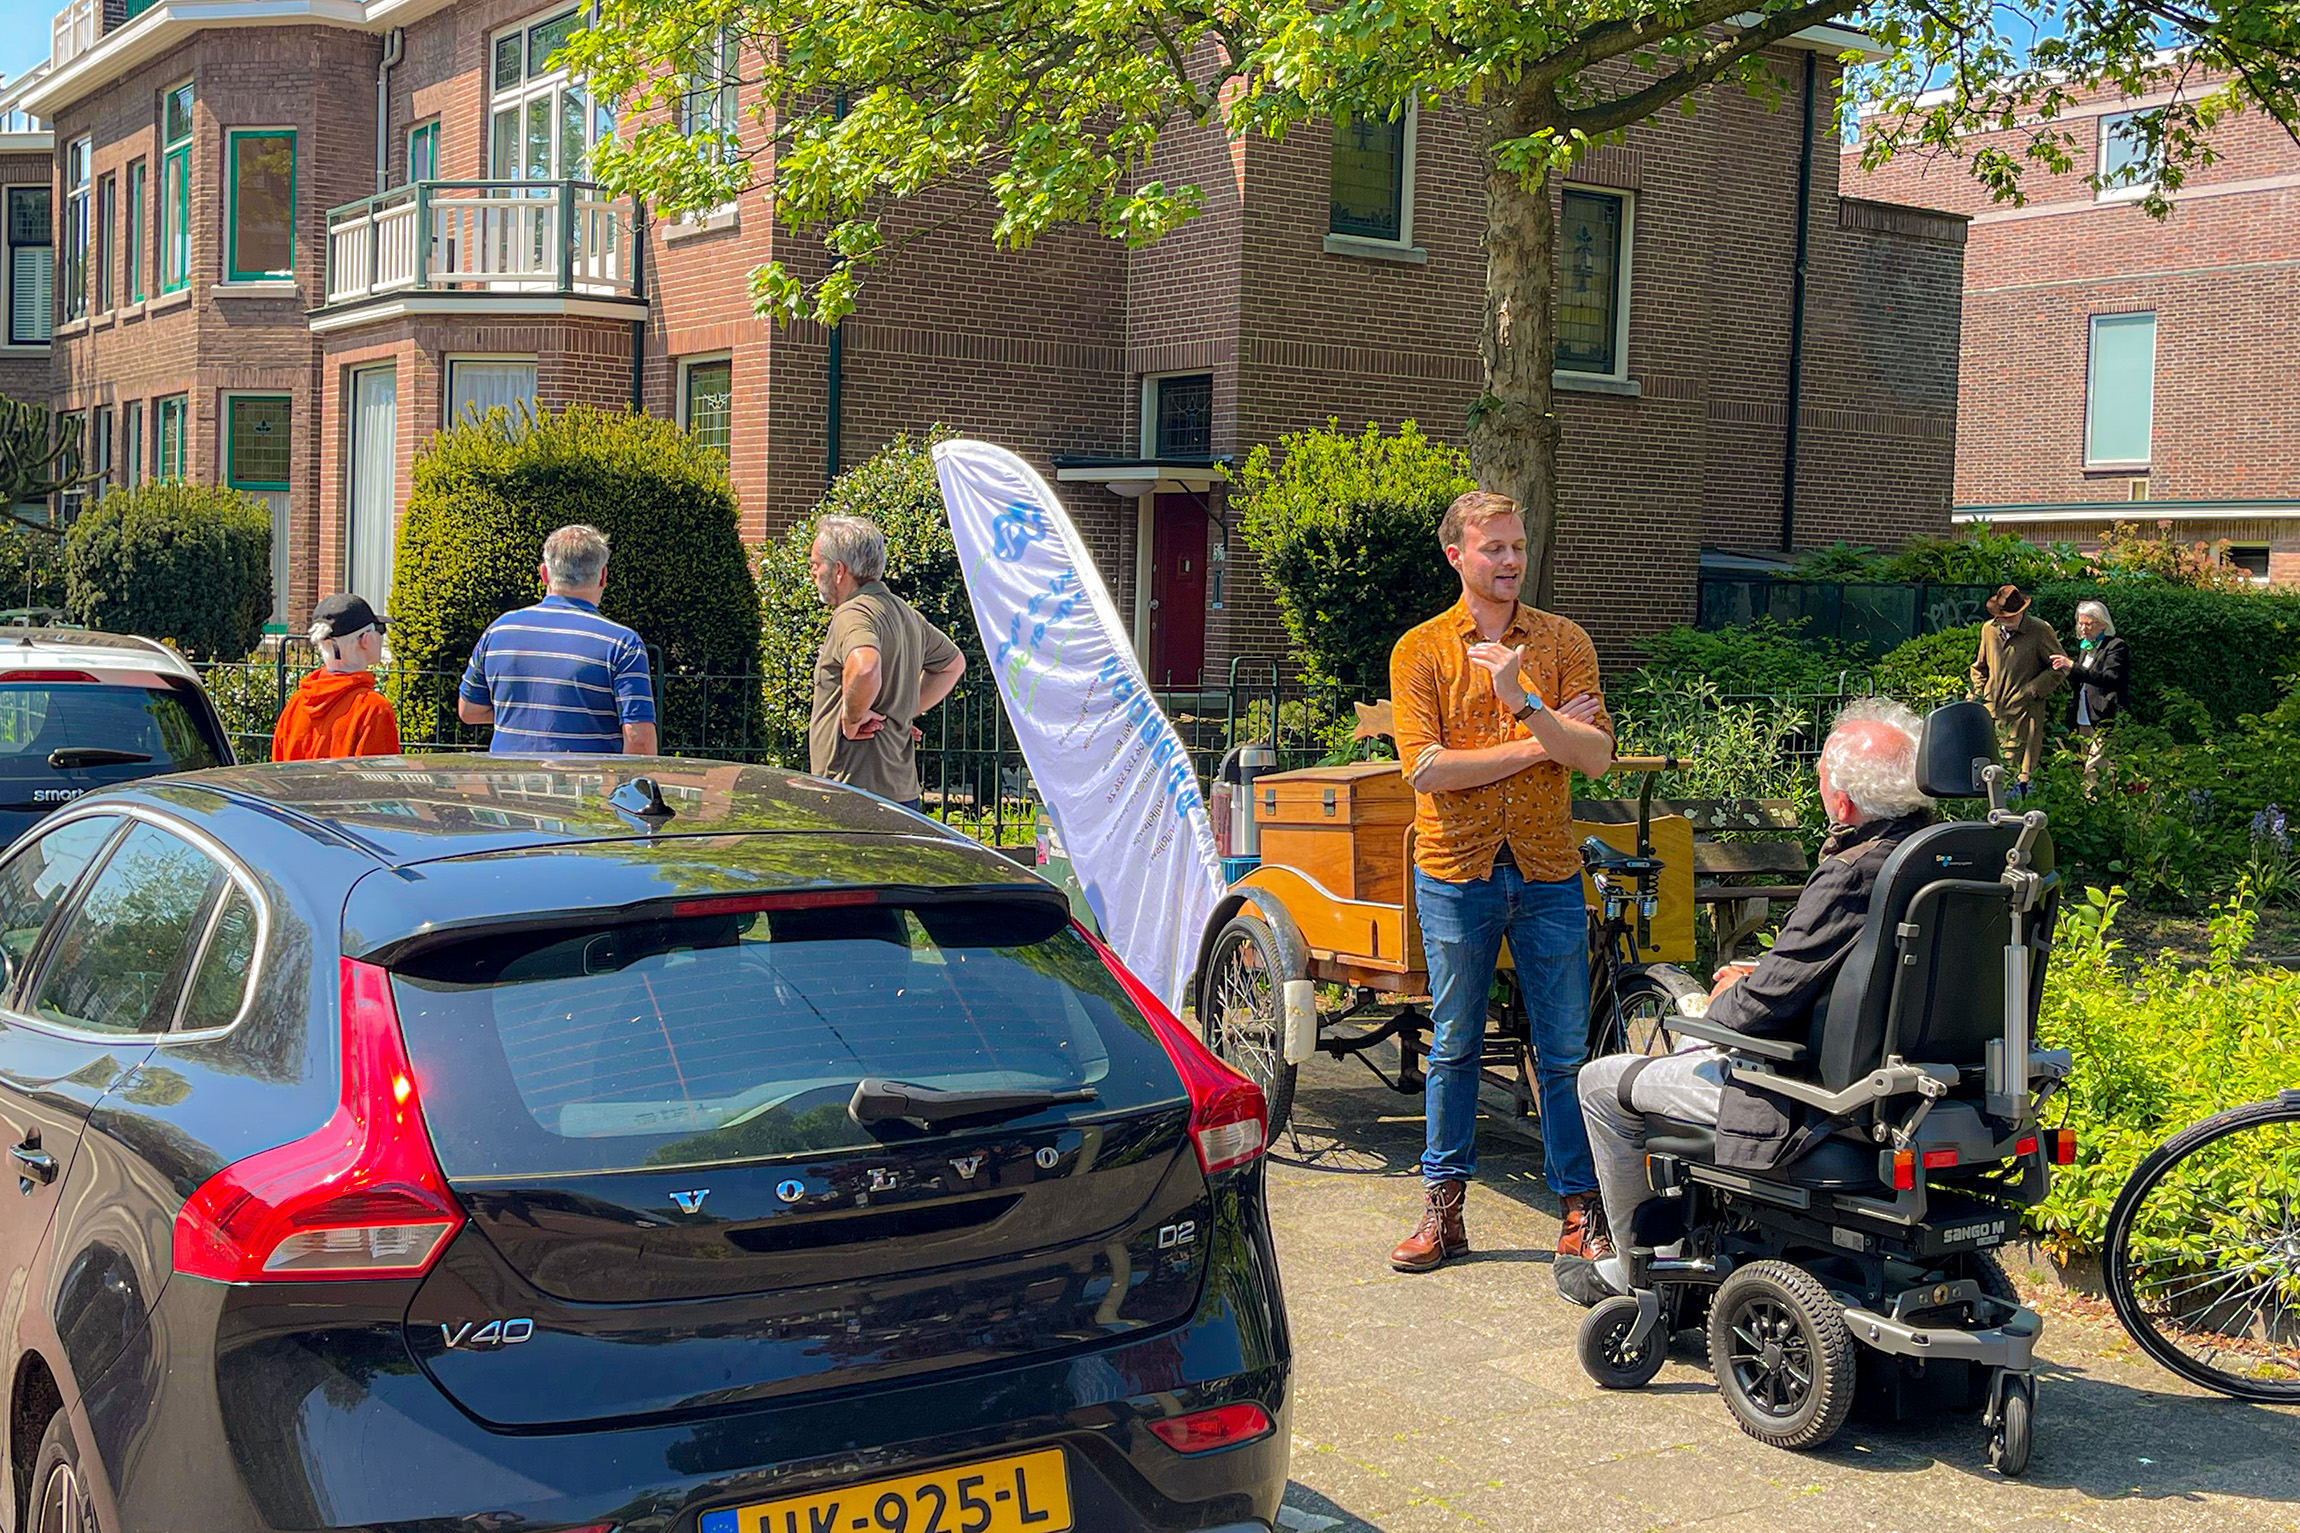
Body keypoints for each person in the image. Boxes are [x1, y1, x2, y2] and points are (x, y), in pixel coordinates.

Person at [1570, 698, 1936, 1302]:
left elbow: (1756, 1011)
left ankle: (1642, 1269)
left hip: (1814, 1101)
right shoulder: (1938, 857)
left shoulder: (1854, 869)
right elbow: (1867, 969)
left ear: (1843, 800)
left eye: (1821, 777)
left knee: (1603, 1082)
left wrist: (1731, 995)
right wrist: (1765, 971)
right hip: (1917, 1081)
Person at [1387, 489, 1617, 1277]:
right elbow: (1426, 767)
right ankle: (1443, 1208)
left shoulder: (1562, 640)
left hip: (1550, 868)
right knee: (1452, 1045)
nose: (1512, 561)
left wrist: (1523, 700)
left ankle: (1581, 1210)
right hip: (1457, 869)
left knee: (1562, 1051)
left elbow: (1595, 758)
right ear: (1456, 554)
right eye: (1495, 548)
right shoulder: (1421, 650)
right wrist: (1541, 735)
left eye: (1519, 546)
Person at [808, 515, 966, 812]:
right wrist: (905, 711)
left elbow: (865, 665)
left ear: (839, 570)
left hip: (851, 791)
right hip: (901, 790)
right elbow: (953, 664)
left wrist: (852, 720)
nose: (814, 571)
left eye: (817, 563)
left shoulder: (853, 613)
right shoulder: (904, 614)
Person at [458, 524, 658, 755]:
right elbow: (639, 740)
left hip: (509, 785)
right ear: (603, 576)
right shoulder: (622, 644)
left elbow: (469, 710)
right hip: (587, 787)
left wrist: (530, 712)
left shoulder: (499, 630)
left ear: (544, 574)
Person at [271, 593, 402, 762]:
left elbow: (277, 767)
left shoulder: (297, 703)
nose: (382, 636)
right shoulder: (373, 708)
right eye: (380, 630)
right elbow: (380, 779)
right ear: (366, 640)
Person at [1969, 585, 2064, 797]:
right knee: (1993, 764)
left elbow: (2059, 667)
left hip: (2025, 711)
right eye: (2002, 617)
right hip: (1993, 709)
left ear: (2022, 612)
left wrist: (2033, 689)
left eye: (2011, 617)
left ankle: (2021, 808)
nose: (2006, 621)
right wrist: (1978, 693)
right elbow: (1979, 667)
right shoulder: (1989, 630)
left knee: (2021, 767)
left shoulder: (2040, 630)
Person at [2051, 600, 2128, 794]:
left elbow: (2111, 678)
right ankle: (2093, 808)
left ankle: (2095, 808)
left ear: (2103, 625)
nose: (2083, 628)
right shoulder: (2085, 648)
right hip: (2083, 717)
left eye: (2088, 624)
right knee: (2087, 765)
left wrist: (2073, 667)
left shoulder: (2115, 647)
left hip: (2105, 717)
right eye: (2080, 623)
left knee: (2095, 769)